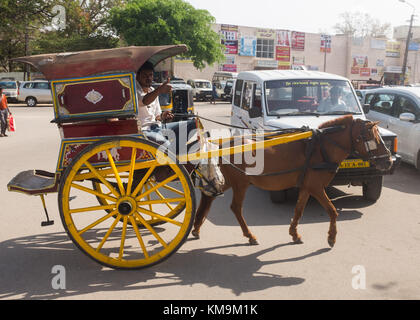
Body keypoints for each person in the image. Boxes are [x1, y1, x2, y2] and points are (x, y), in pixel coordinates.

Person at [136, 61, 197, 155]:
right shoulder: (134, 91)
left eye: (150, 75)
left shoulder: (152, 90)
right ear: (138, 76)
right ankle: (174, 158)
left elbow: (157, 116)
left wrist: (164, 116)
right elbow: (144, 101)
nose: (148, 78)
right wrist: (160, 90)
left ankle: (177, 154)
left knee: (193, 124)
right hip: (145, 132)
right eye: (145, 75)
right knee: (166, 145)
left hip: (158, 128)